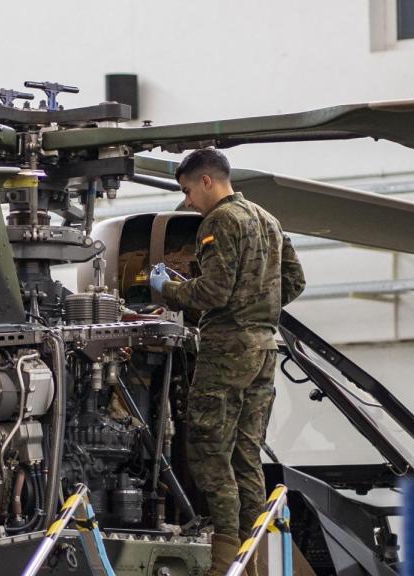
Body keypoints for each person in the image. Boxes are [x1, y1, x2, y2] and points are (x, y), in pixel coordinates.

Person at [148, 148, 305, 576]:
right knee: (246, 455)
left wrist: (168, 289)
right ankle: (257, 559)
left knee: (209, 452)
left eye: (186, 192)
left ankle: (223, 559)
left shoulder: (218, 221)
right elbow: (295, 280)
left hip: (225, 351)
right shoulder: (267, 220)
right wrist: (257, 308)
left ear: (206, 181)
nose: (186, 203)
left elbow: (213, 293)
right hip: (264, 349)